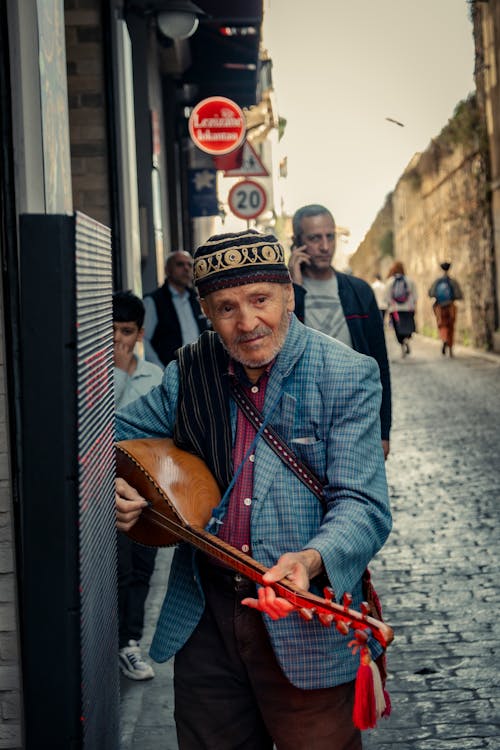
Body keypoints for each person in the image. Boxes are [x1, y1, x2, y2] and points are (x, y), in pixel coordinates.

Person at [115, 229, 392, 749]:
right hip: (208, 619)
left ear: (288, 292)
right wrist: (116, 485)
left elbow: (364, 505)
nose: (246, 323)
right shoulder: (190, 373)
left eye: (260, 300)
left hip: (304, 615)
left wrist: (311, 559)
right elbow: (106, 435)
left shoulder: (347, 374)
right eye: (225, 308)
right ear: (205, 311)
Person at [288, 204, 391, 460]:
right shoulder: (284, 295)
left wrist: (383, 430)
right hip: (304, 423)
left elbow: (379, 364)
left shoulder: (359, 291)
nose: (325, 246)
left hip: (355, 416)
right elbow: (285, 349)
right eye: (314, 238)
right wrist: (295, 289)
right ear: (297, 243)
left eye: (330, 236)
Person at [113, 290, 164, 680]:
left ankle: (130, 642)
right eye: (111, 330)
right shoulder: (93, 375)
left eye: (126, 331)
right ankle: (119, 641)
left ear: (140, 333)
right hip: (106, 488)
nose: (118, 339)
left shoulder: (156, 376)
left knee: (143, 565)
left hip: (146, 485)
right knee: (120, 567)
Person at [143, 250, 209, 367]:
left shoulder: (196, 299)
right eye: (180, 264)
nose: (186, 268)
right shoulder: (153, 301)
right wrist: (160, 370)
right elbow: (144, 340)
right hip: (172, 371)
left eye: (189, 265)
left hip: (200, 368)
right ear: (167, 270)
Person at [428, 261, 463, 357]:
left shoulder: (437, 281)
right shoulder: (452, 281)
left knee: (442, 325)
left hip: (439, 307)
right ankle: (450, 349)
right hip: (450, 306)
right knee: (451, 327)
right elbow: (459, 295)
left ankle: (444, 340)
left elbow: (431, 293)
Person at [384, 261, 418, 357]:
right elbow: (415, 296)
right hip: (408, 309)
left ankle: (402, 346)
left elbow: (386, 298)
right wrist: (414, 307)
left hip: (395, 310)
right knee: (408, 328)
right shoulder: (410, 281)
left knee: (398, 330)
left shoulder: (390, 281)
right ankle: (407, 339)